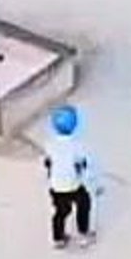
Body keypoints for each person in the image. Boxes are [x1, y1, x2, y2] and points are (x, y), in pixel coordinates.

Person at [44, 104, 95, 250]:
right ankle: (83, 235)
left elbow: (47, 163)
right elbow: (82, 165)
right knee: (83, 204)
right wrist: (86, 177)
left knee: (61, 211)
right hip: (73, 185)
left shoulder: (50, 145)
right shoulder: (77, 146)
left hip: (56, 186)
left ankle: (58, 238)